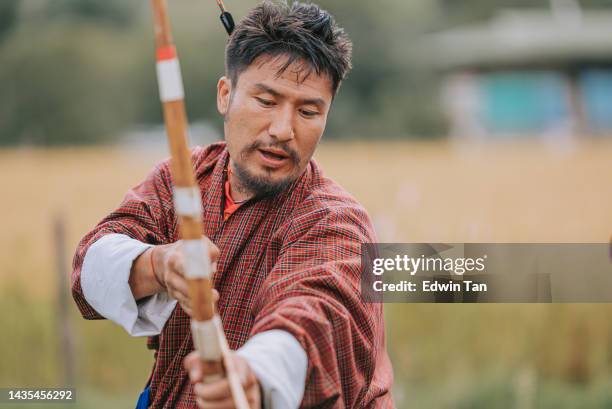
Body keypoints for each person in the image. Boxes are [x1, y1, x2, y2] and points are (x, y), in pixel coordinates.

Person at [71, 1, 394, 408]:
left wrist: (254, 376)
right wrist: (158, 265)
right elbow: (91, 266)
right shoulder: (182, 177)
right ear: (226, 95)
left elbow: (320, 315)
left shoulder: (334, 220)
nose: (282, 130)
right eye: (265, 101)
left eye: (309, 111)